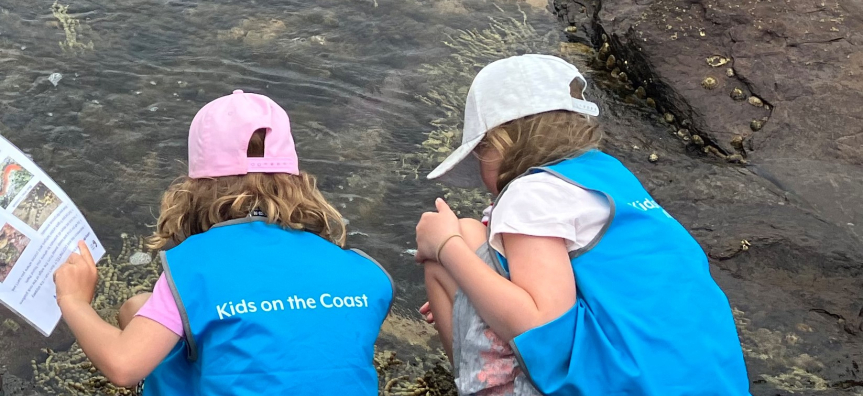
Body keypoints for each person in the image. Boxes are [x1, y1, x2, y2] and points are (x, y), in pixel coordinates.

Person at [414, 54, 750, 395]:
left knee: (452, 248)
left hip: (624, 385)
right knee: (475, 235)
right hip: (706, 382)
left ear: (499, 142)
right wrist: (478, 289)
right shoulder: (608, 174)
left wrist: (445, 248)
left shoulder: (530, 193)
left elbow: (540, 324)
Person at [53, 90, 394, 395]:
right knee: (141, 309)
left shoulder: (195, 267)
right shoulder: (366, 274)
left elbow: (123, 366)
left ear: (195, 185)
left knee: (144, 317)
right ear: (296, 179)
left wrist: (73, 301)